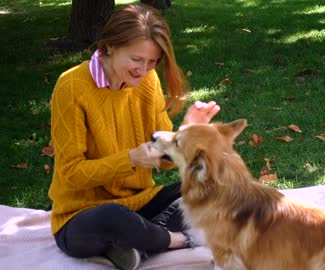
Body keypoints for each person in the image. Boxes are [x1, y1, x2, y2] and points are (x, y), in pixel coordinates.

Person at [47, 3, 220, 270]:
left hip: (140, 203)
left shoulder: (148, 80)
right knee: (113, 218)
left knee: (212, 184)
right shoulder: (71, 87)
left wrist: (184, 134)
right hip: (82, 217)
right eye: (137, 59)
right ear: (110, 46)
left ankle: (136, 244)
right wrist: (130, 159)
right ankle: (178, 239)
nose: (144, 69)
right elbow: (71, 173)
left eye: (152, 62)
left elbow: (165, 160)